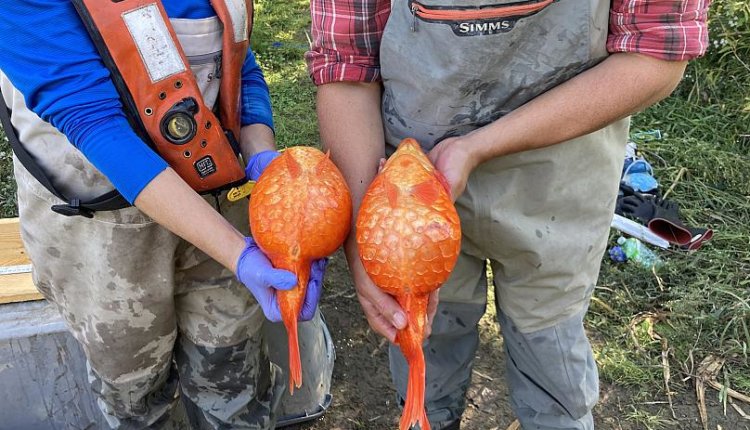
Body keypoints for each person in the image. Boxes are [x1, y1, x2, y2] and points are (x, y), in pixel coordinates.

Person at [306, 0, 710, 428]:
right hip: (409, 202)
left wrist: (476, 147)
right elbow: (347, 65)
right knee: (425, 348)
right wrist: (364, 236)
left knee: (551, 363)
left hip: (559, 181)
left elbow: (657, 51)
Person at [0, 1, 332, 428]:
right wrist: (238, 253)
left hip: (218, 188)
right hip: (99, 222)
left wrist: (259, 151)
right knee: (136, 389)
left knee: (232, 372)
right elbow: (92, 120)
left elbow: (237, 56)